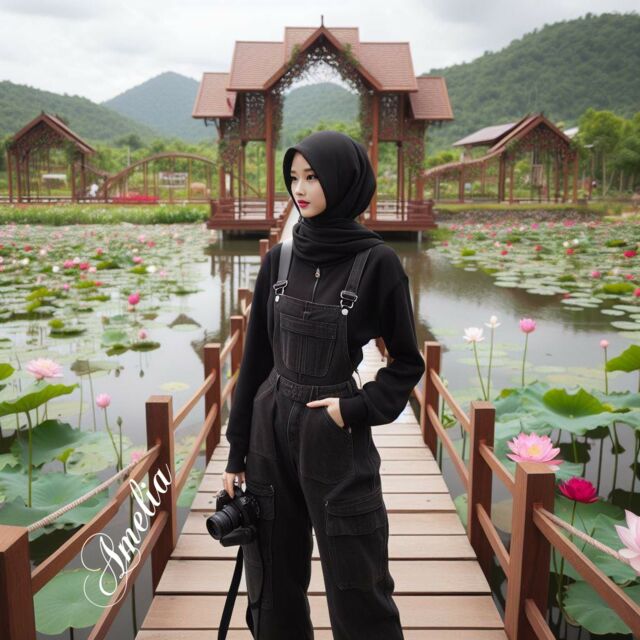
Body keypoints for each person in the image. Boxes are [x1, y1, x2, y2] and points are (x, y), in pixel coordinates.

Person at [221, 130, 425, 639]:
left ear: (344, 180)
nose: (300, 189)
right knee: (271, 579)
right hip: (269, 432)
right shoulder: (279, 259)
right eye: (293, 177)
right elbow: (255, 360)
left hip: (333, 435)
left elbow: (406, 362)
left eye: (312, 177)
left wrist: (354, 409)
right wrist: (236, 450)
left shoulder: (378, 263)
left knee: (358, 580)